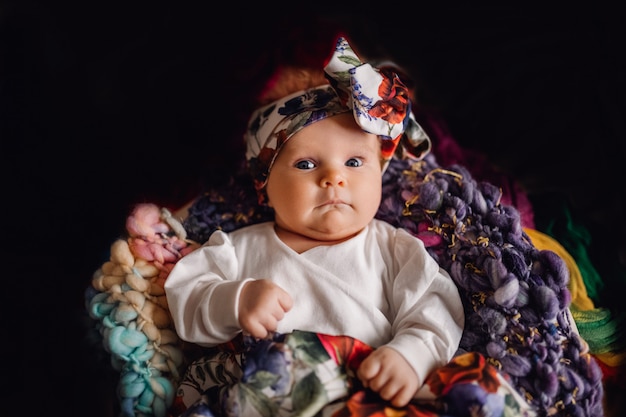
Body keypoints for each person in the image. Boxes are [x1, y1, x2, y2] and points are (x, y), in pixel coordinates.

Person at [164, 36, 465, 409]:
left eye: (354, 163)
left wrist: (410, 355)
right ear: (266, 188)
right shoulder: (238, 248)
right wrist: (235, 300)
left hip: (368, 392)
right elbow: (185, 296)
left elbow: (435, 308)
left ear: (381, 175)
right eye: (306, 164)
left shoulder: (394, 249)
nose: (333, 178)